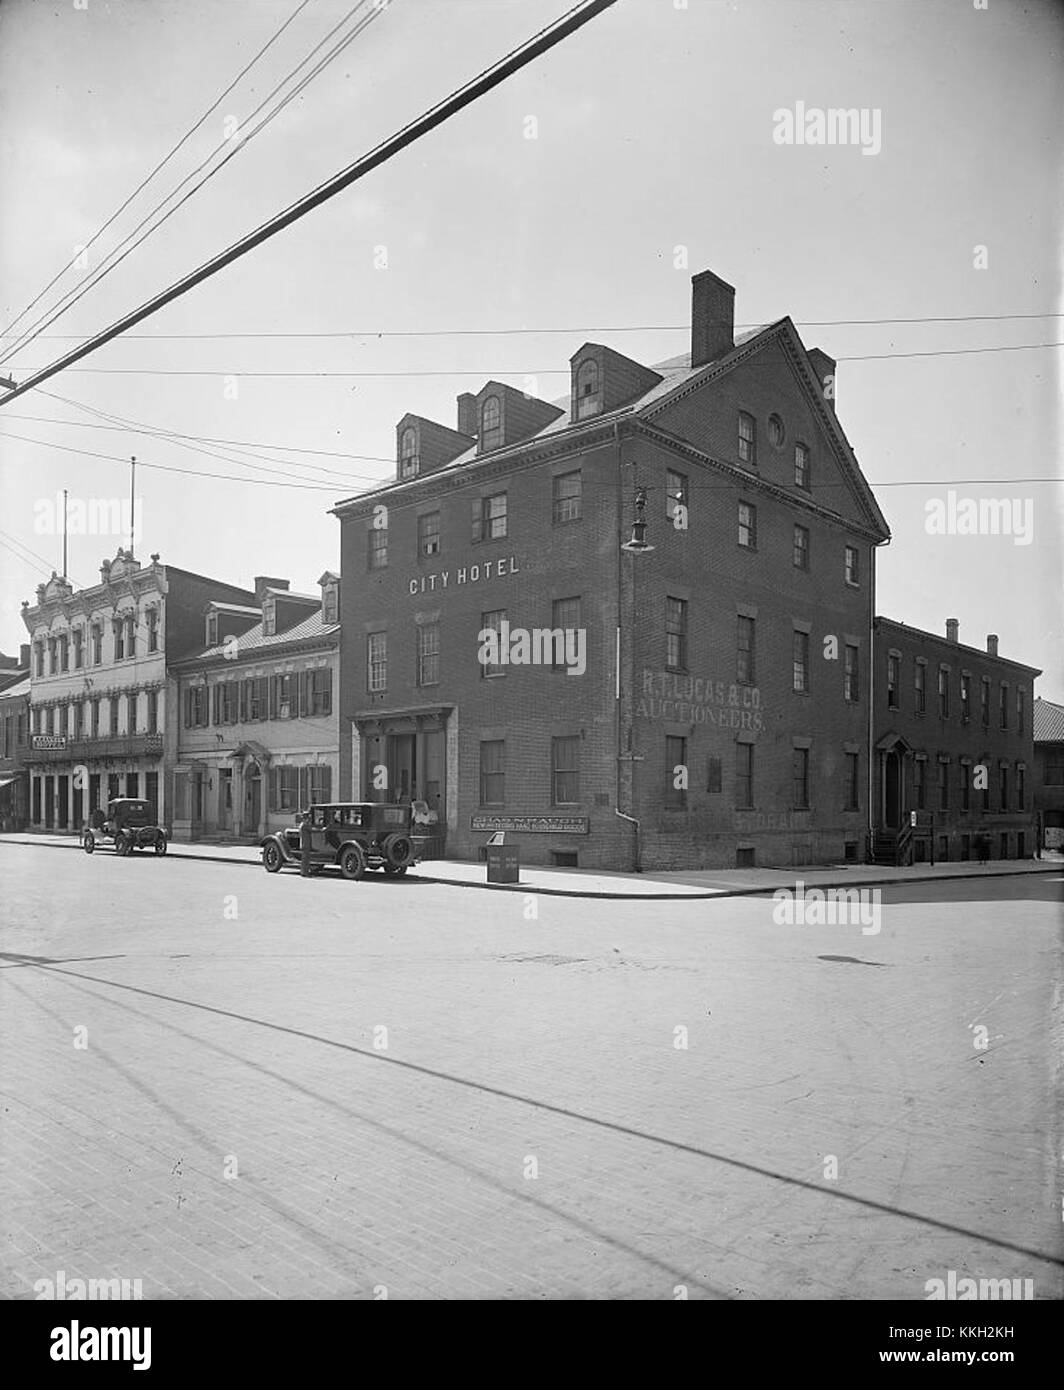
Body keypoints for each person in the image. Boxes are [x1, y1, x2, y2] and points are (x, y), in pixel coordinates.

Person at [299, 810, 312, 877]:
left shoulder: (302, 825)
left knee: (305, 859)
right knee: (305, 859)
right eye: (307, 817)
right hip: (305, 844)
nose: (308, 819)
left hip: (304, 843)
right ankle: (304, 872)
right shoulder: (304, 825)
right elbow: (311, 830)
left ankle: (304, 872)